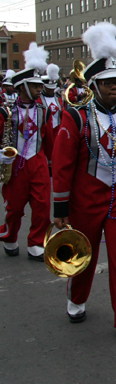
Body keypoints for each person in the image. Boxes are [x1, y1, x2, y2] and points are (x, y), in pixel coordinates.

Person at [51, 22, 116, 341]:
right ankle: (76, 298)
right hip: (85, 200)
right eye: (109, 84)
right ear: (94, 85)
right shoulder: (75, 116)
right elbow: (63, 165)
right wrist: (61, 206)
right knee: (85, 254)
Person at [0, 44, 54, 260]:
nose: (39, 90)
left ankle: (36, 242)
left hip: (38, 161)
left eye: (40, 86)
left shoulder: (43, 110)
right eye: (35, 86)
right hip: (15, 164)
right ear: (22, 87)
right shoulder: (6, 111)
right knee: (14, 207)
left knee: (42, 205)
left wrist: (53, 163)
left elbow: (49, 138)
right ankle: (10, 236)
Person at [39, 63, 65, 135]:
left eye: (53, 88)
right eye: (49, 89)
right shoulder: (39, 100)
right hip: (45, 131)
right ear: (44, 87)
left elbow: (62, 115)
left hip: (58, 130)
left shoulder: (59, 100)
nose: (51, 90)